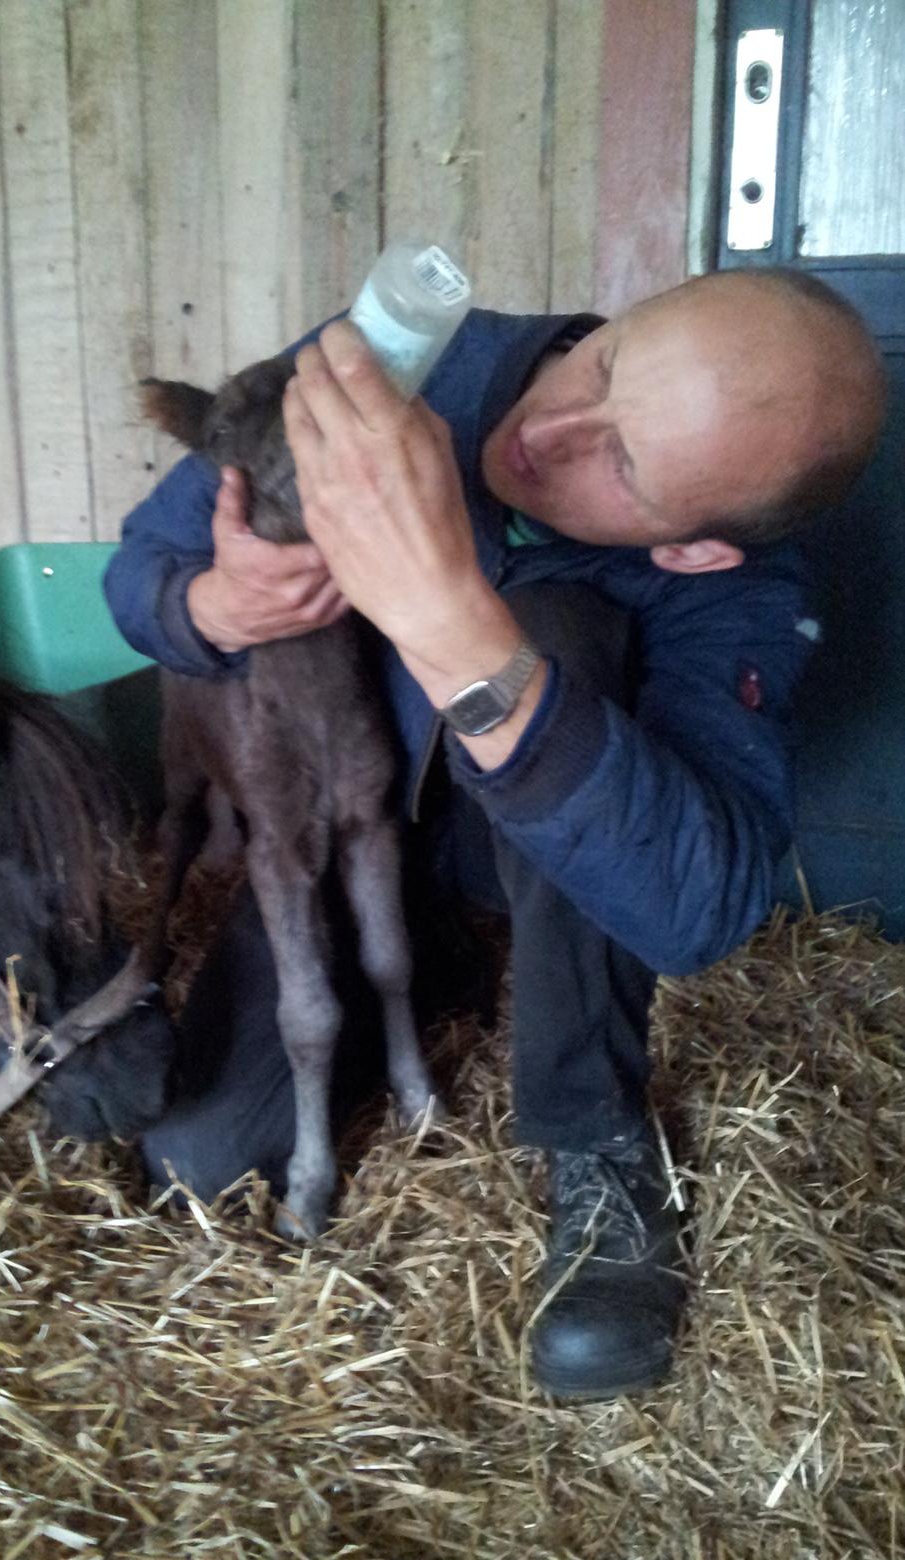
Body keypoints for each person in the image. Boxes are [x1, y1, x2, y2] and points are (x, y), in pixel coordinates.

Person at [100, 267, 887, 1399]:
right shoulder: (392, 364)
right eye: (605, 363)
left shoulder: (738, 587)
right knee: (199, 1165)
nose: (550, 430)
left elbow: (700, 910)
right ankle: (441, 964)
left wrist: (457, 628)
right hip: (362, 850)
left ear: (694, 547)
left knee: (556, 635)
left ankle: (593, 1135)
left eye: (620, 462)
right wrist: (211, 607)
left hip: (541, 864)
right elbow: (141, 564)